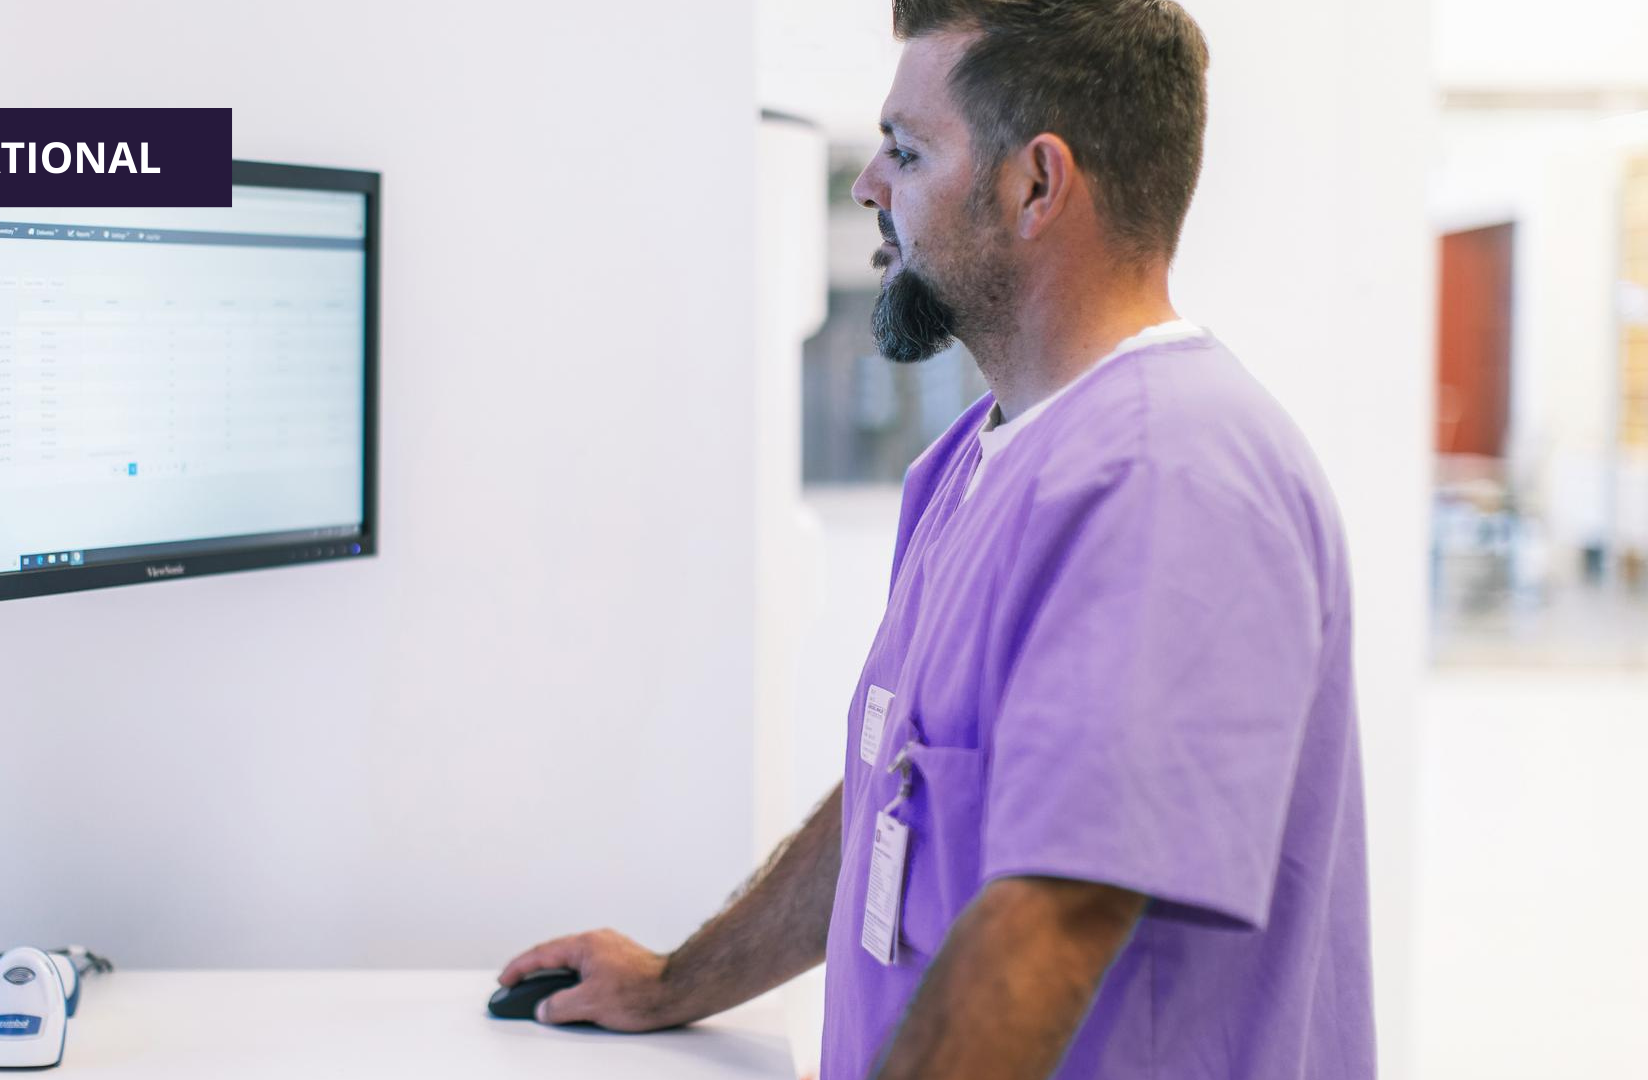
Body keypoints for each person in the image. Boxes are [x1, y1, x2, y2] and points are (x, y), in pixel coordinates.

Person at [498, 2, 1376, 1077]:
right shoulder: (981, 459)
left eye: (906, 152)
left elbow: (1052, 919)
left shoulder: (1165, 478)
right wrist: (680, 981)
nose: (869, 184)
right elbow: (901, 797)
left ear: (1036, 185)